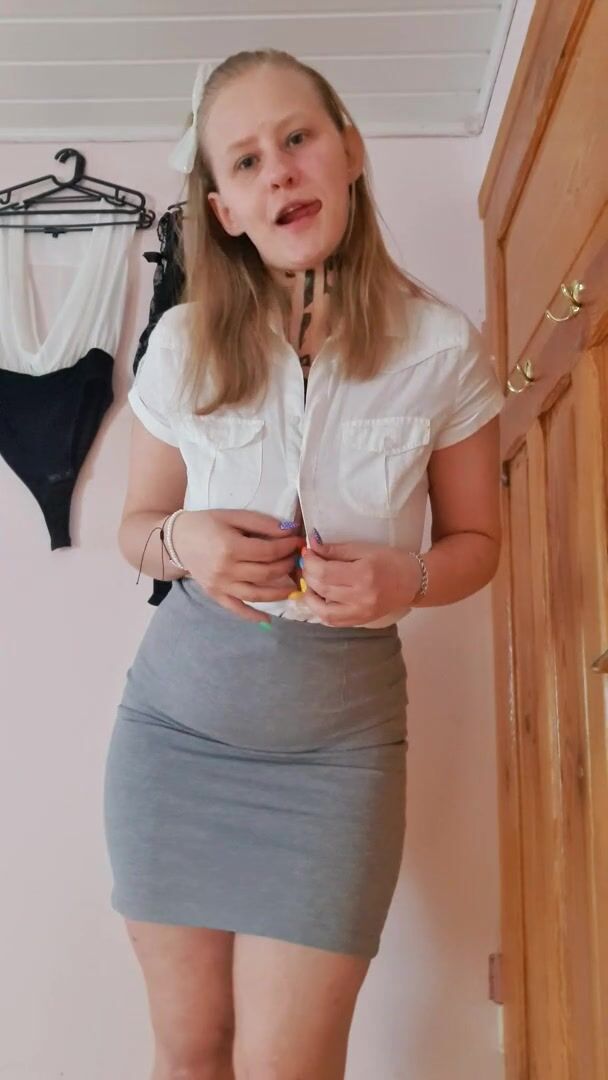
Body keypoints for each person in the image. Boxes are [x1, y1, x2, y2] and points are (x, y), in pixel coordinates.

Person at [103, 48, 504, 1080]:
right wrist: (184, 542)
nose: (277, 169)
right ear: (225, 209)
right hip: (174, 739)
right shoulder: (181, 344)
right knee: (190, 1053)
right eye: (244, 161)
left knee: (292, 1066)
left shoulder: (442, 349)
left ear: (349, 150)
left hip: (338, 760)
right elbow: (135, 525)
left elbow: (477, 545)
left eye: (297, 137)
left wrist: (410, 580)